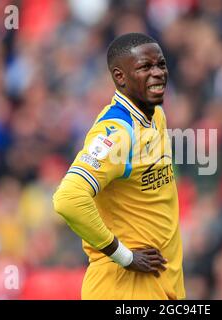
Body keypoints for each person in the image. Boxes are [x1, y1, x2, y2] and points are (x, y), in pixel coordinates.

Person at [53, 33, 185, 300]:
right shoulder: (117, 133)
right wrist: (123, 256)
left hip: (162, 283)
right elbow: (68, 198)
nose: (158, 73)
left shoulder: (155, 115)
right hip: (122, 287)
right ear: (120, 77)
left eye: (161, 64)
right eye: (144, 67)